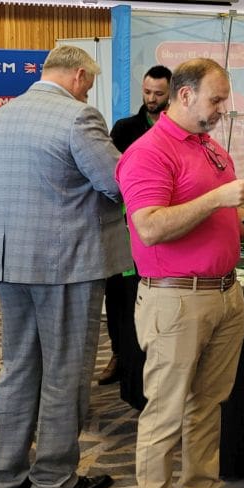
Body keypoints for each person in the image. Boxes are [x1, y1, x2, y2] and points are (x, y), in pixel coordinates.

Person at [117, 58, 244, 488]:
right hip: (175, 298)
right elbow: (152, 227)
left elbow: (223, 212)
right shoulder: (147, 153)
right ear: (184, 96)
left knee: (209, 403)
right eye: (216, 100)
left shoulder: (209, 146)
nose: (222, 110)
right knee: (163, 414)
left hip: (225, 293)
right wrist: (217, 198)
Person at [0, 45, 129, 488]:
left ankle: (2, 476)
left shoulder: (0, 118)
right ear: (80, 75)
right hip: (65, 264)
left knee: (18, 367)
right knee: (65, 372)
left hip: (9, 260)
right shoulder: (78, 118)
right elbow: (118, 182)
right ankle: (53, 479)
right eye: (88, 83)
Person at [99, 64, 173, 386]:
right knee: (118, 295)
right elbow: (111, 176)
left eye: (158, 93)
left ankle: (152, 360)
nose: (152, 98)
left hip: (166, 228)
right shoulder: (125, 127)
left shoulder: (178, 127)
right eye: (147, 92)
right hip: (126, 228)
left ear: (171, 92)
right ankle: (119, 354)